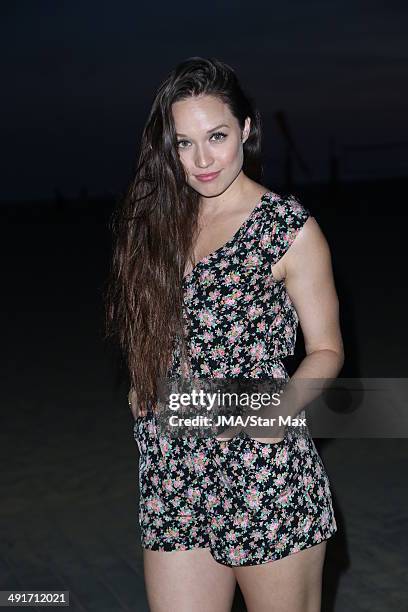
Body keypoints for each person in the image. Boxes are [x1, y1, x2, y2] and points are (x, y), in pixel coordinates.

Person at [105, 56, 344, 612]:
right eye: (184, 143)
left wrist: (274, 414)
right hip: (172, 473)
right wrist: (145, 390)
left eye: (216, 136)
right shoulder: (156, 223)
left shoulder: (289, 229)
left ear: (247, 129)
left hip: (261, 472)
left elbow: (328, 349)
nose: (202, 158)